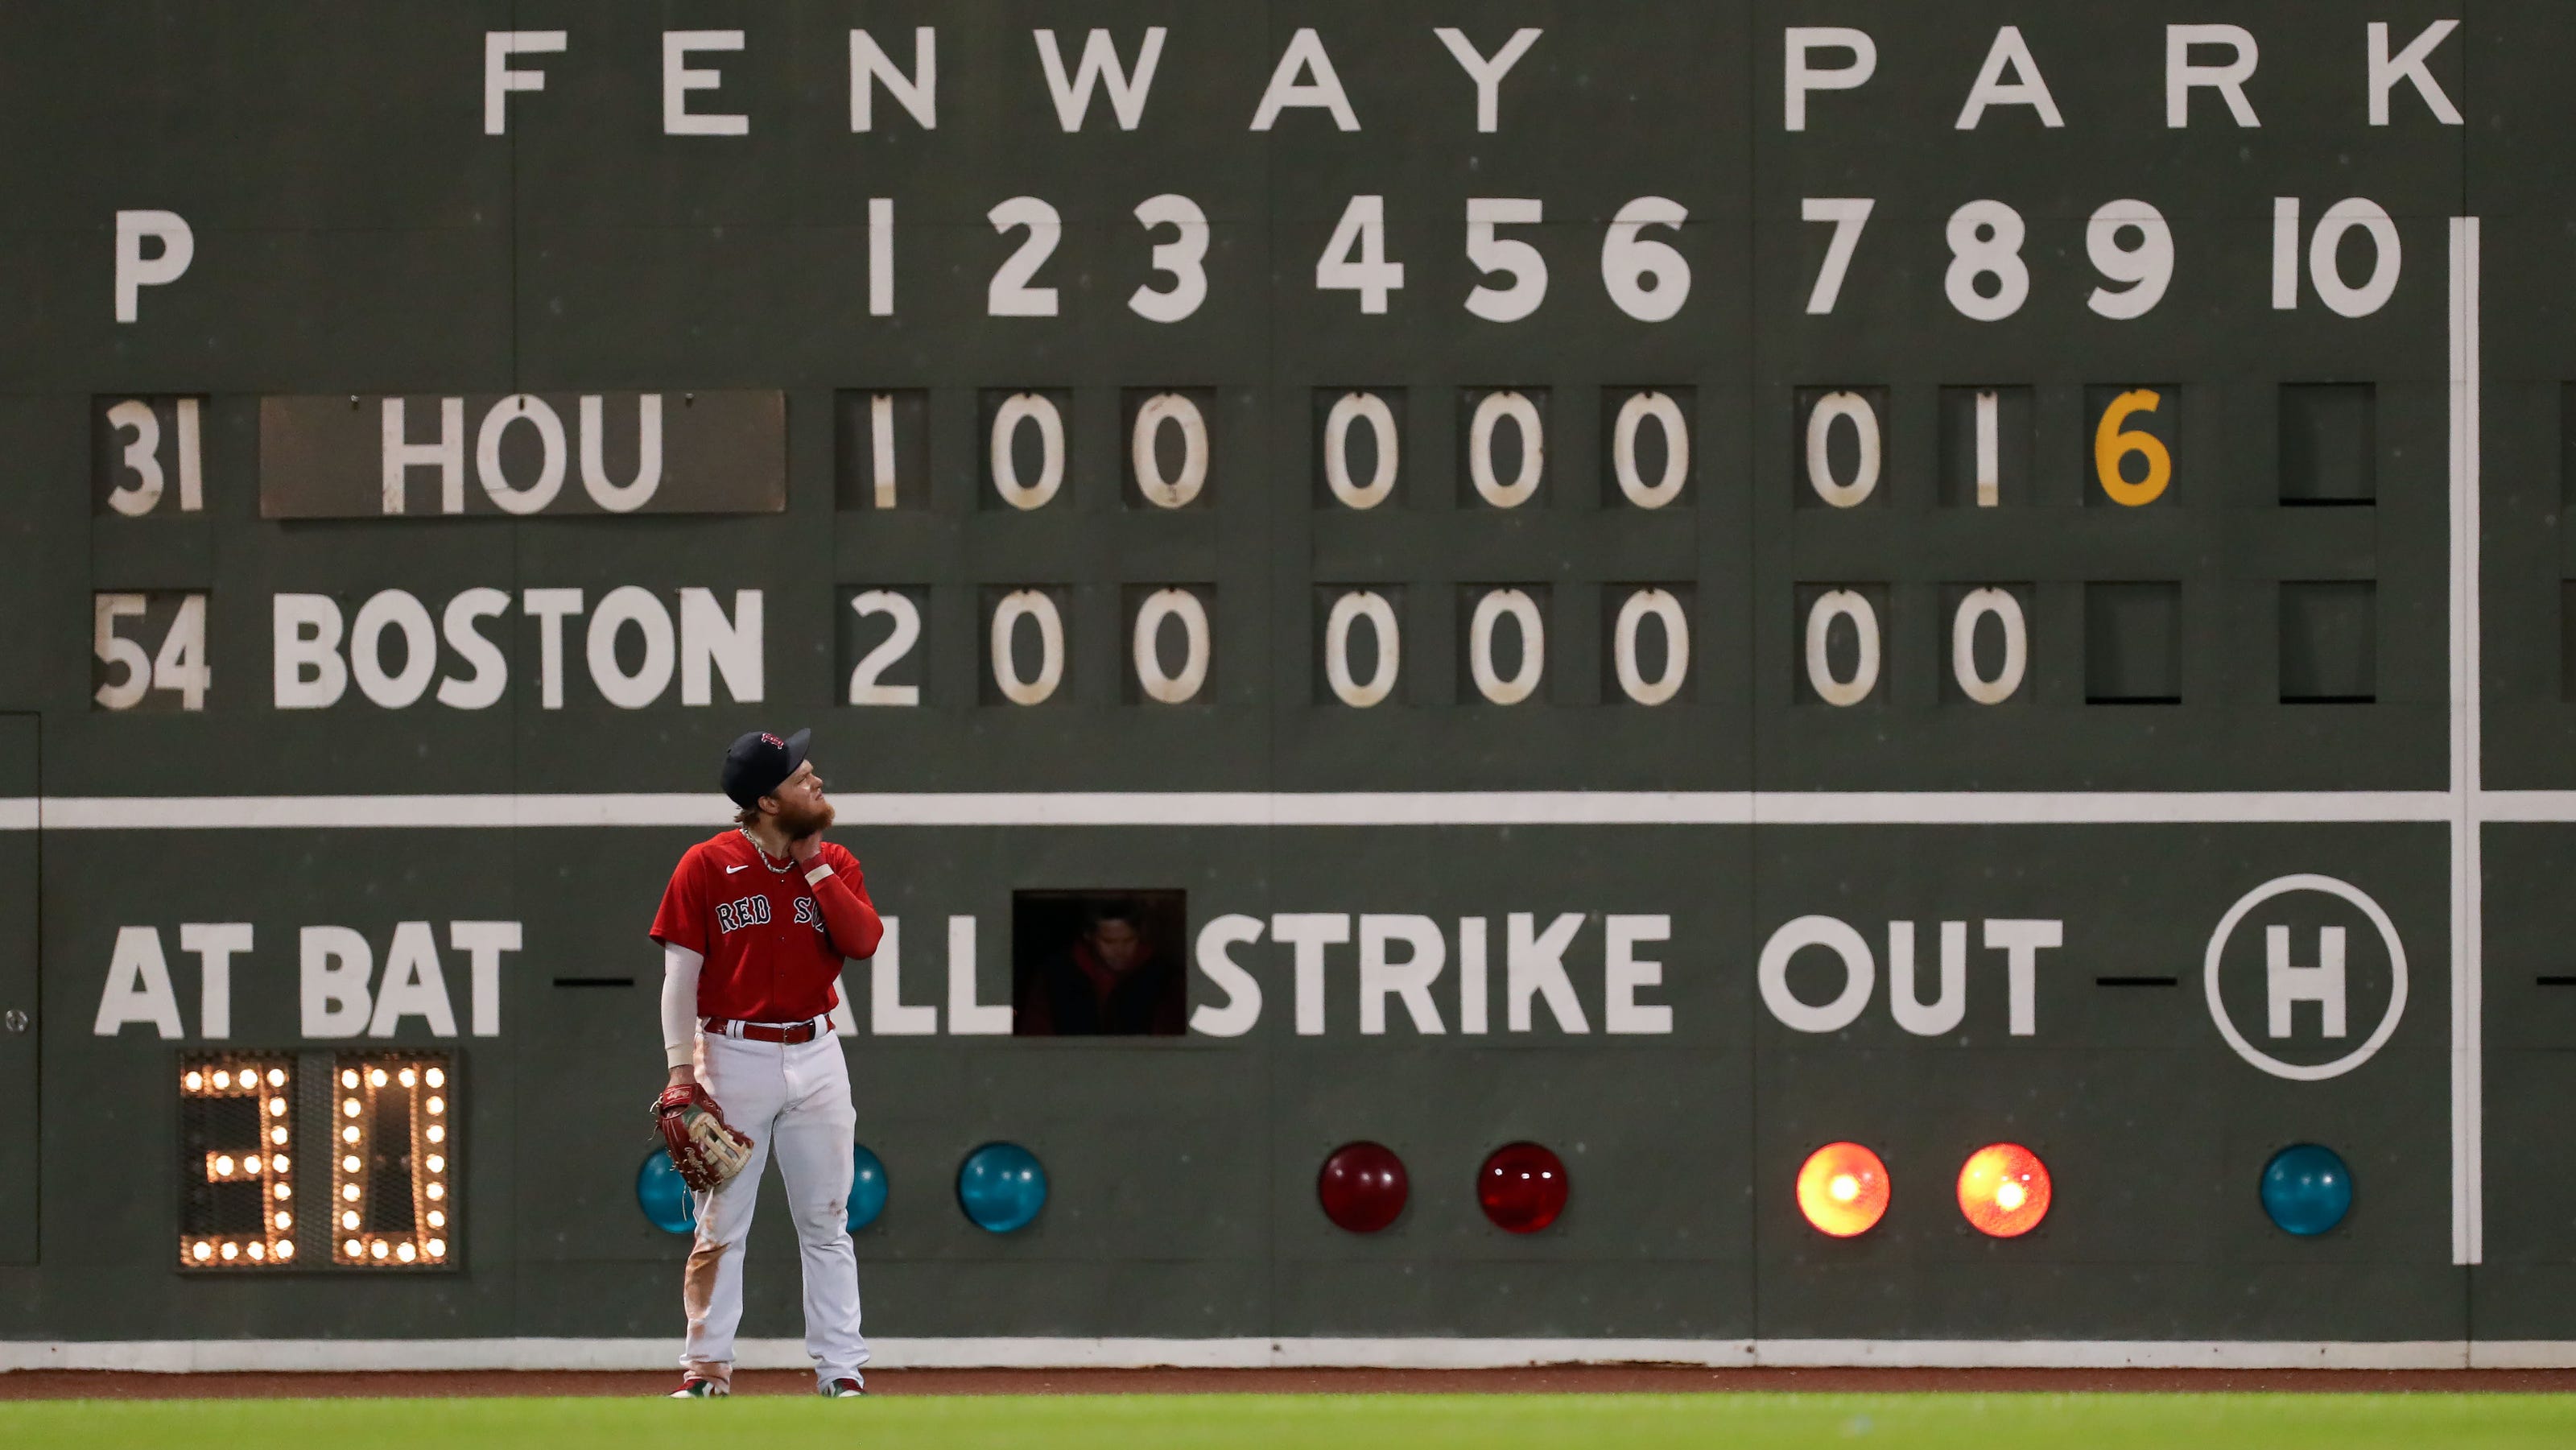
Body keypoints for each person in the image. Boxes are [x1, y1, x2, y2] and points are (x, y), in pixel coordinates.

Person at [649, 728, 884, 1399]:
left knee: (827, 1217)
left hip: (817, 1050)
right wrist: (679, 1072)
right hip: (732, 1052)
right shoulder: (705, 864)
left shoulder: (834, 859)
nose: (815, 780)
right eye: (799, 776)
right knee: (721, 1221)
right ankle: (707, 1369)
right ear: (767, 802)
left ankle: (841, 1368)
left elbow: (864, 939)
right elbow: (680, 976)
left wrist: (815, 867)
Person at [1015, 898, 1185, 1036]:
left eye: (1128, 940)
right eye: (1109, 941)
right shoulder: (1055, 977)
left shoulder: (1163, 978)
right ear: (1089, 936)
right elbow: (1036, 1040)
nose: (1120, 951)